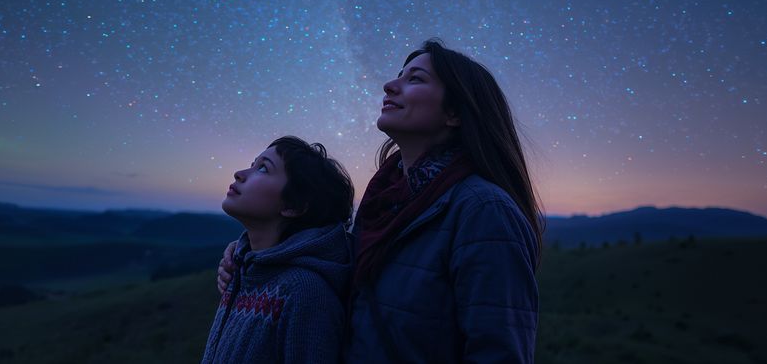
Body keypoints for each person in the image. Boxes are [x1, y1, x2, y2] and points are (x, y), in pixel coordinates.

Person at [219, 40, 542, 363]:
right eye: (398, 76)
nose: (389, 85)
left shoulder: (484, 210)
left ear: (454, 112)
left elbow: (500, 353)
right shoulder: (382, 205)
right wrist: (248, 255)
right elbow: (327, 262)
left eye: (414, 79)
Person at [201, 135, 355, 364]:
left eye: (263, 168)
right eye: (253, 164)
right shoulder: (242, 271)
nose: (240, 173)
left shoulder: (306, 294)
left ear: (294, 206)